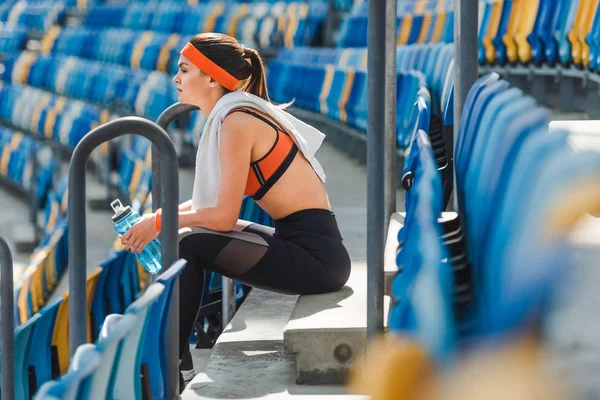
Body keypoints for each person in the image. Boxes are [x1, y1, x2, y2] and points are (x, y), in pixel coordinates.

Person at [120, 32, 351, 390]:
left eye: (184, 70)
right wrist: (156, 221)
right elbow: (205, 206)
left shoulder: (236, 123)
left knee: (188, 245)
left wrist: (160, 221)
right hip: (307, 245)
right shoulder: (236, 115)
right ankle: (172, 359)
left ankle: (169, 368)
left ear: (212, 77)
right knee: (185, 236)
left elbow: (222, 217)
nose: (175, 78)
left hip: (317, 259)